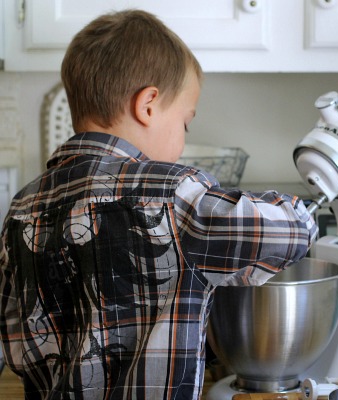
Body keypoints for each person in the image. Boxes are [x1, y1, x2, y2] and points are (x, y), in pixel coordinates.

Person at [0, 9, 317, 400]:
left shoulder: (21, 209)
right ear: (148, 104)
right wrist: (301, 205)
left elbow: (11, 335)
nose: (183, 140)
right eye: (185, 122)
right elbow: (291, 230)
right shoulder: (174, 194)